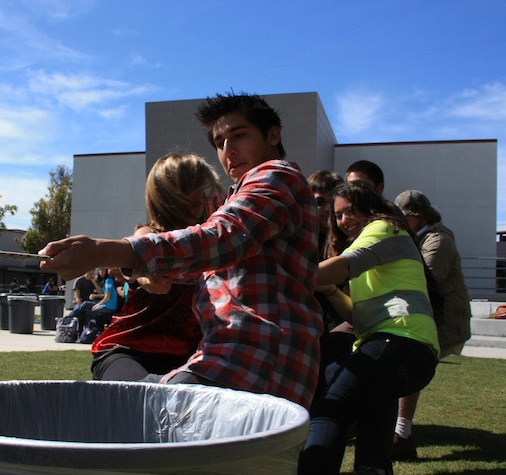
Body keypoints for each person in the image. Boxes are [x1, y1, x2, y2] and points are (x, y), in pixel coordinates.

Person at [40, 91, 322, 409]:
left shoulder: (275, 176)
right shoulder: (227, 211)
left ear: (273, 134)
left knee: (143, 418)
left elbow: (222, 237)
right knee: (150, 426)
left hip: (251, 358)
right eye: (219, 142)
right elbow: (210, 253)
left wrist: (108, 251)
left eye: (239, 135)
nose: (228, 150)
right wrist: (141, 268)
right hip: (232, 362)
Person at [296, 183, 439, 475]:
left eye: (349, 211)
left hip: (401, 340)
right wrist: (328, 290)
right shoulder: (377, 247)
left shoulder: (384, 229)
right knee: (363, 402)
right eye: (338, 214)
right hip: (401, 347)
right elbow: (359, 318)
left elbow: (341, 266)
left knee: (330, 410)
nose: (343, 220)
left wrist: (284, 277)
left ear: (371, 207)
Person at [91, 153, 217, 381]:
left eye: (201, 187)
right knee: (135, 397)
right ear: (169, 195)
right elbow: (141, 249)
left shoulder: (210, 241)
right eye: (192, 188)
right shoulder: (151, 234)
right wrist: (146, 277)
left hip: (189, 356)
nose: (201, 195)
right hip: (129, 349)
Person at [391, 189, 472, 460]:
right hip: (427, 316)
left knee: (408, 369)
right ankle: (399, 432)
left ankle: (401, 434)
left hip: (442, 319)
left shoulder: (437, 240)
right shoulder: (422, 237)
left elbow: (423, 279)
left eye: (404, 218)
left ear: (417, 216)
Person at [308, 170, 349, 402]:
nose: (324, 209)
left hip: (340, 326)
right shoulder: (301, 236)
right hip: (310, 327)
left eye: (330, 202)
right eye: (318, 202)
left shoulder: (349, 239)